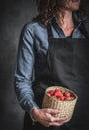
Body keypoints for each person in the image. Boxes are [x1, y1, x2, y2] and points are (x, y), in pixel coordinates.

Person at [14, 0, 89, 130]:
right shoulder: (33, 30)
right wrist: (34, 111)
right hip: (44, 120)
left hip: (83, 119)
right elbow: (22, 80)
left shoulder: (87, 30)